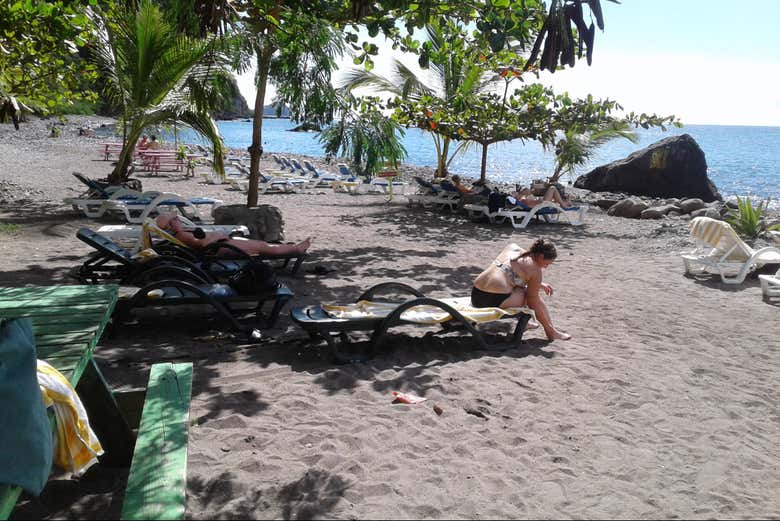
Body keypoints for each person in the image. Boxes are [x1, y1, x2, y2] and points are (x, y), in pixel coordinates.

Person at [471, 239, 571, 341]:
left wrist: (537, 284)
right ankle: (550, 331)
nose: (546, 267)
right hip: (491, 301)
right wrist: (535, 285)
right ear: (541, 257)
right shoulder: (535, 269)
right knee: (530, 295)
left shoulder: (512, 247)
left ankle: (530, 324)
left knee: (520, 288)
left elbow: (510, 272)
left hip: (476, 295)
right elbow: (533, 300)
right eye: (547, 264)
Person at [154, 213, 311, 257]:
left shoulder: (181, 234)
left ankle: (289, 248)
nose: (177, 219)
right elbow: (202, 245)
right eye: (174, 219)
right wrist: (216, 235)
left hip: (223, 243)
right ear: (171, 225)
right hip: (222, 247)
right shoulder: (182, 235)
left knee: (260, 245)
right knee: (263, 246)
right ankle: (296, 250)